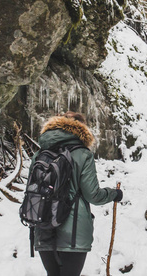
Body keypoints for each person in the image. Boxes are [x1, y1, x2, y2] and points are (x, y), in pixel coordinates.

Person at [33, 111, 123, 276]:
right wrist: (114, 194)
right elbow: (93, 195)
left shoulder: (40, 154)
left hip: (43, 227)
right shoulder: (82, 154)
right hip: (73, 233)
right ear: (81, 128)